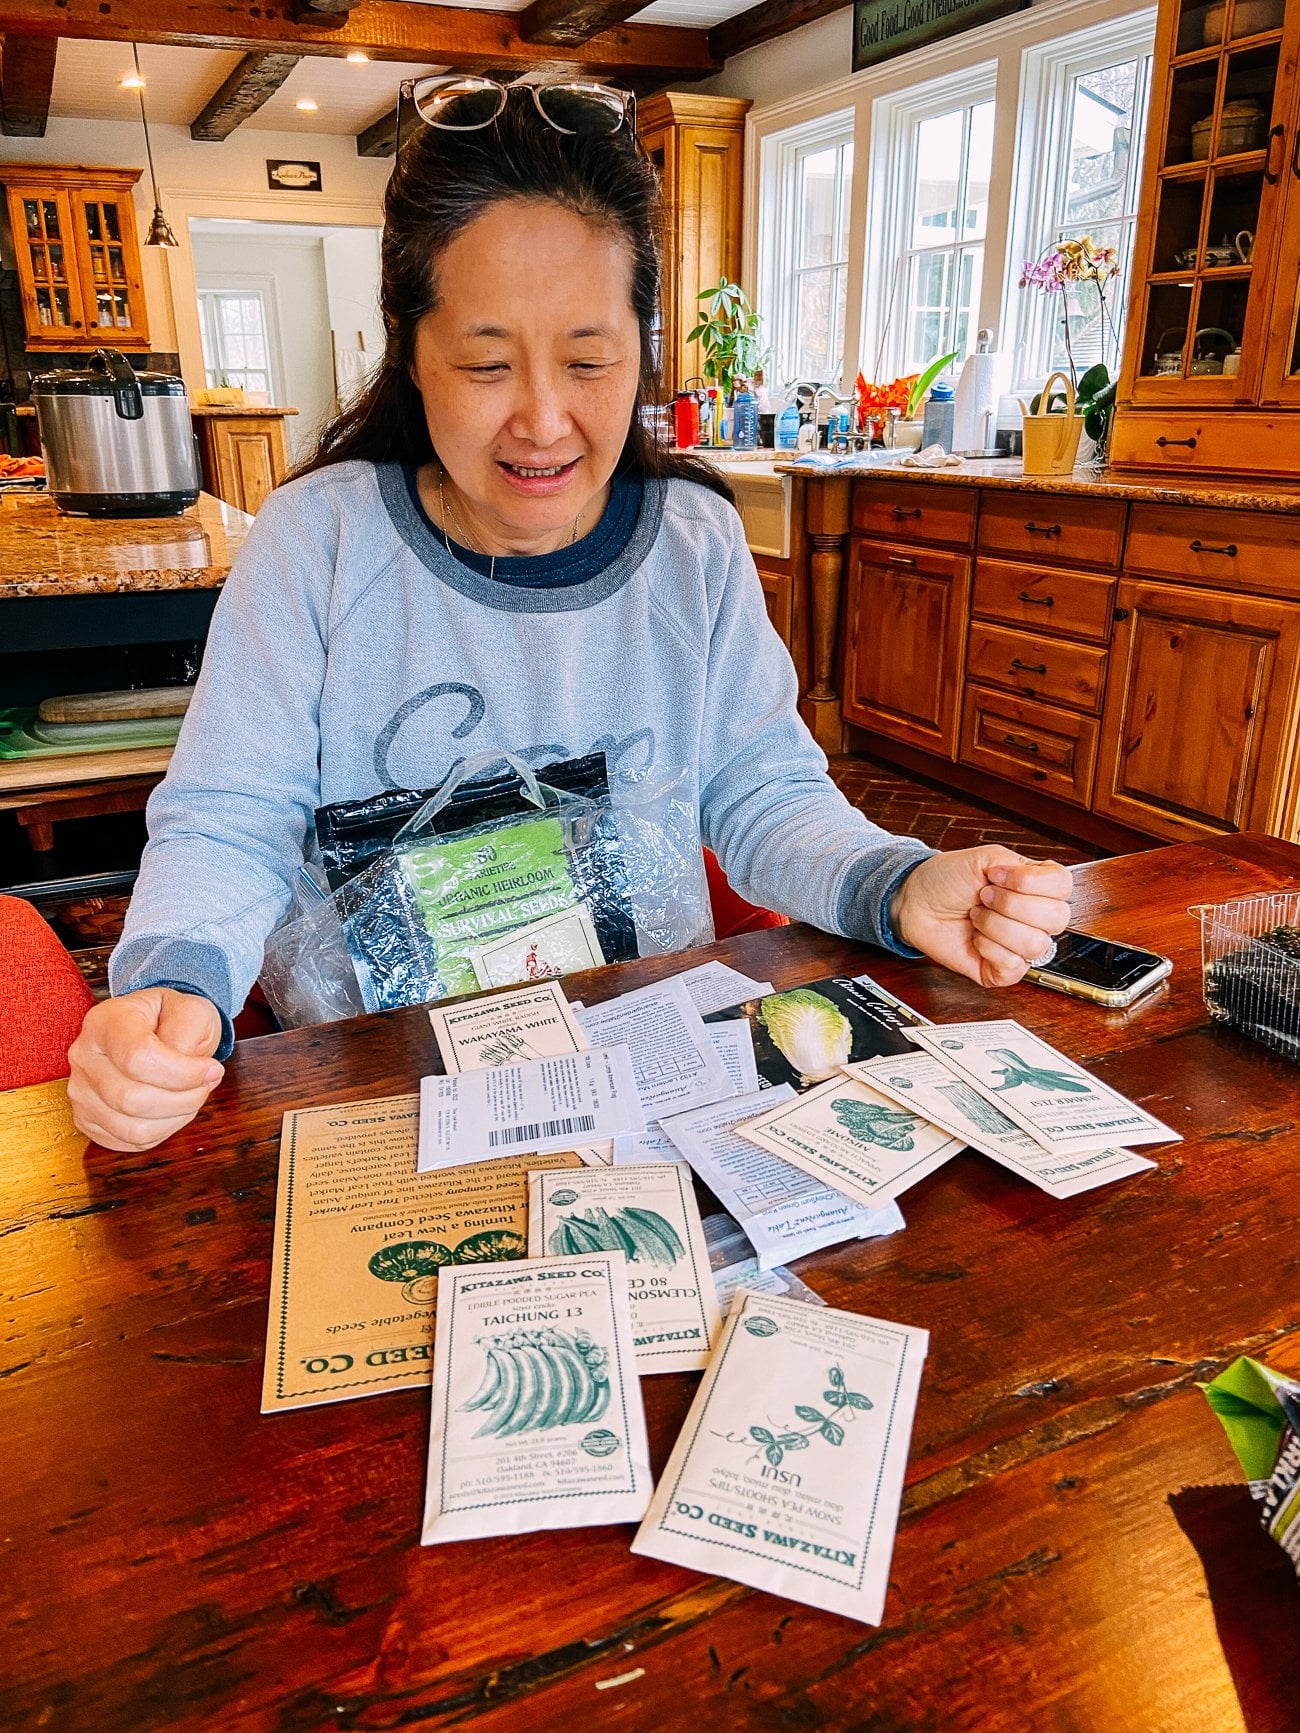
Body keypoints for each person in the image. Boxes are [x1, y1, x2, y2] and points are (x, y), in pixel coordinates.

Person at [68, 77, 1071, 1153]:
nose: (544, 420)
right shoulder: (318, 541)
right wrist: (173, 987)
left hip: (652, 1074)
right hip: (388, 1091)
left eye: (589, 361)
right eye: (486, 364)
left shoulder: (691, 541)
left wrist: (899, 882)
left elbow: (761, 789)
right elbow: (231, 817)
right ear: (411, 350)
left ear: (640, 345)